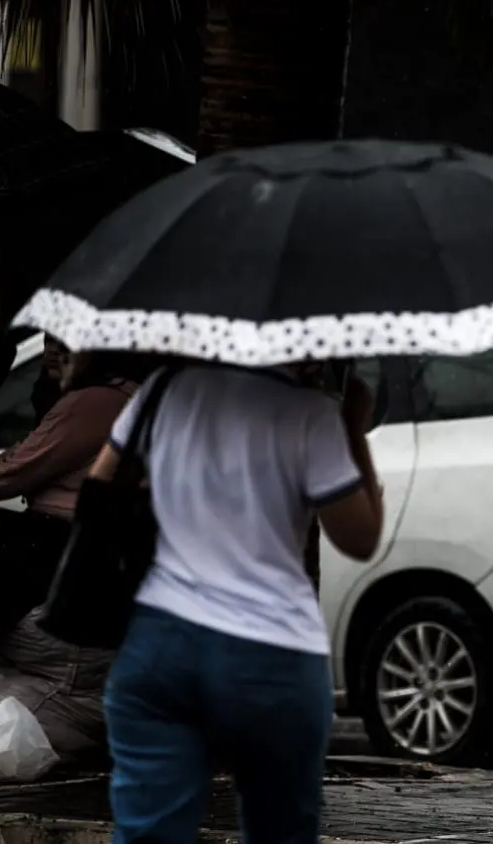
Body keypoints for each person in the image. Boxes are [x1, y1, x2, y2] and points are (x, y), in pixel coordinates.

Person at [91, 361, 384, 844]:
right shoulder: (310, 415)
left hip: (161, 642)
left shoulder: (165, 389)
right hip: (274, 654)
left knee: (147, 833)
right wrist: (352, 429)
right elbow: (360, 537)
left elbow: (101, 483)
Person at [0, 345, 154, 634]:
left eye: (66, 344)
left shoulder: (97, 398)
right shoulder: (106, 394)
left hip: (59, 536)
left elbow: (8, 474)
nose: (54, 352)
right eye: (49, 342)